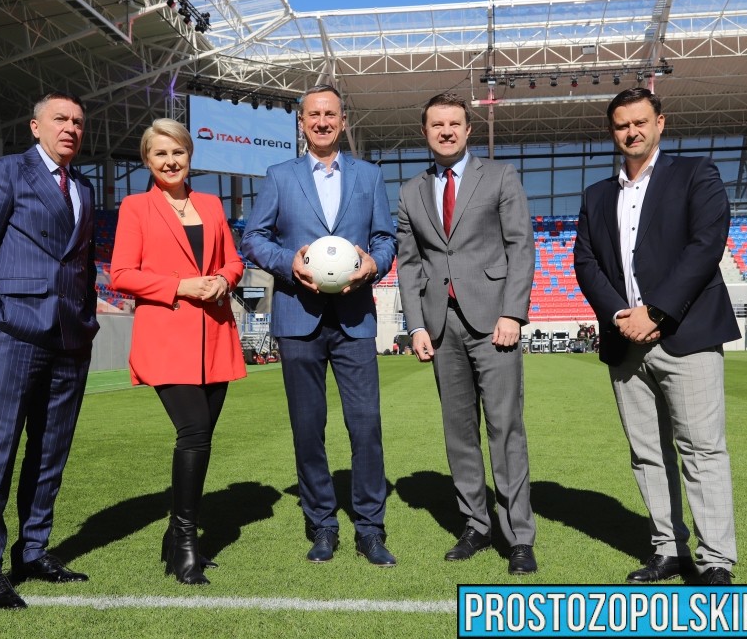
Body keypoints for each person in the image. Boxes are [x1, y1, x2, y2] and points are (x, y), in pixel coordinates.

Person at [573, 87, 741, 586]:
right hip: (625, 341)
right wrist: (621, 315)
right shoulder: (597, 195)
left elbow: (706, 245)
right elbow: (585, 262)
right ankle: (668, 550)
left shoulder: (695, 174)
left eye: (640, 122)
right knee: (646, 453)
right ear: (612, 131)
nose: (632, 132)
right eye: (622, 125)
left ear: (660, 123)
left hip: (686, 336)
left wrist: (657, 311)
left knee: (702, 450)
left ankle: (716, 560)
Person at [241, 84, 398, 567]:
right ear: (302, 122)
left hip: (354, 319)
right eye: (314, 115)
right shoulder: (280, 176)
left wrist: (373, 264)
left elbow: (386, 238)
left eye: (331, 114)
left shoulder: (369, 175)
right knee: (308, 428)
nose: (323, 122)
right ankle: (323, 524)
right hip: (298, 318)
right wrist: (290, 263)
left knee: (365, 426)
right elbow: (254, 238)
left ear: (343, 121)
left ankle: (370, 528)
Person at [0, 91, 100, 609]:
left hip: (71, 336)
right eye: (60, 119)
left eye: (78, 122)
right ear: (35, 126)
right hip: (17, 329)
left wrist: (87, 316)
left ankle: (33, 550)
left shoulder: (83, 186)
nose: (70, 128)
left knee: (50, 452)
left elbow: (83, 262)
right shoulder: (8, 171)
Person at [396, 92, 539, 575]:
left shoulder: (500, 176)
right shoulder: (410, 192)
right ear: (425, 132)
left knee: (504, 428)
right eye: (437, 124)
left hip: (494, 322)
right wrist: (416, 324)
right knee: (459, 432)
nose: (446, 131)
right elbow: (410, 264)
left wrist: (513, 314)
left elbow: (521, 246)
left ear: (468, 129)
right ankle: (476, 525)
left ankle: (518, 536)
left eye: (454, 123)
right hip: (441, 327)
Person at [110, 118, 247, 585]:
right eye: (160, 154)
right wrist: (180, 286)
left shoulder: (210, 204)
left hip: (216, 335)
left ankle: (174, 537)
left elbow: (234, 260)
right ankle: (186, 543)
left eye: (178, 153)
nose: (170, 162)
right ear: (147, 160)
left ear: (190, 156)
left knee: (202, 436)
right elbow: (121, 274)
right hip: (166, 337)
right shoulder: (135, 207)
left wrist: (224, 278)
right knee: (194, 433)